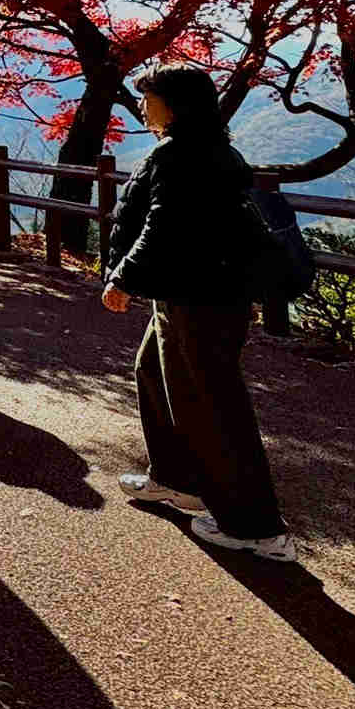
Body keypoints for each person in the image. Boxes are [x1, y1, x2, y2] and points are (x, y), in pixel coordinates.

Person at [103, 64, 296, 563]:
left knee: (214, 403)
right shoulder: (207, 147)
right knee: (154, 373)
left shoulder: (182, 153)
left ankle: (255, 527)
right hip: (192, 293)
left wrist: (123, 275)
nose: (143, 105)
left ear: (176, 104)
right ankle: (177, 479)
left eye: (151, 97)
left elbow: (165, 224)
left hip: (202, 297)